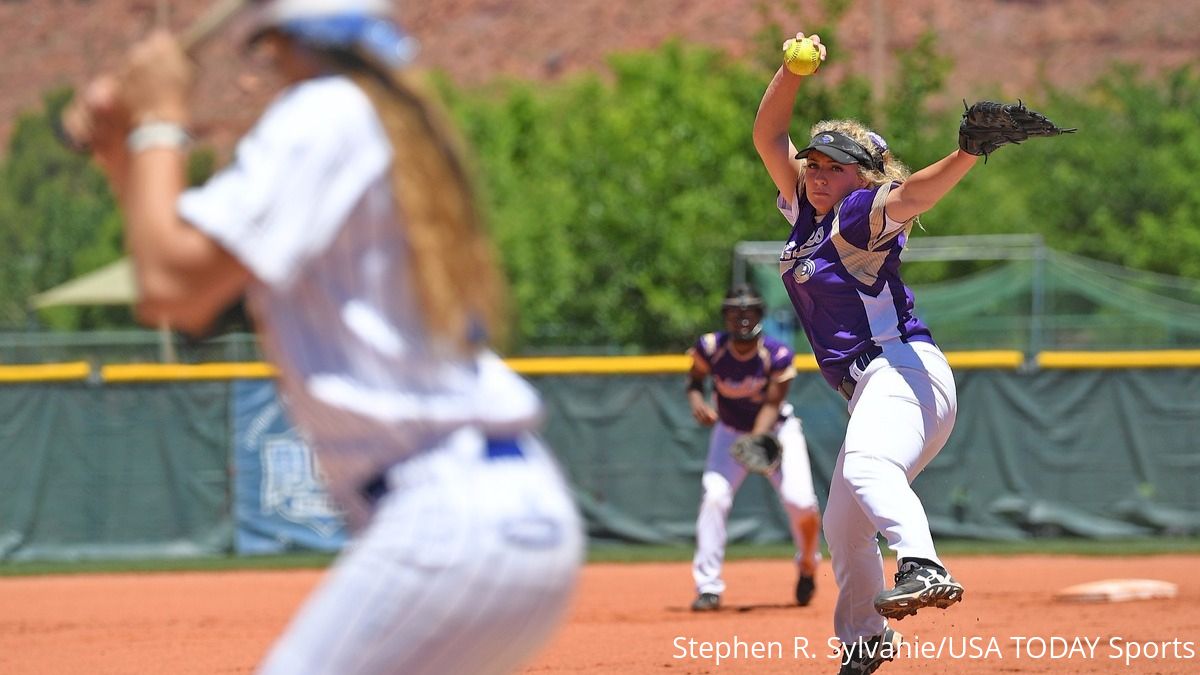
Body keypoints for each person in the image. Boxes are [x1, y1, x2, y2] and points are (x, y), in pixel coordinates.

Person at [67, 1, 583, 673]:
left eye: (266, 54)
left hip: (446, 518)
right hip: (509, 509)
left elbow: (174, 288)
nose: (260, 77)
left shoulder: (323, 114)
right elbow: (177, 275)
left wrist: (162, 115)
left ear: (288, 41)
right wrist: (124, 146)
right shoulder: (380, 116)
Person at [752, 31, 973, 674]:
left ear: (861, 177)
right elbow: (769, 139)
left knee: (870, 467)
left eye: (834, 165)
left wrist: (963, 153)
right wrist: (790, 73)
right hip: (879, 388)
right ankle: (864, 640)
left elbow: (914, 195)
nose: (817, 174)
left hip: (902, 373)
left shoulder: (856, 214)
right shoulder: (806, 212)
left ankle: (923, 564)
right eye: (814, 164)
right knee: (844, 526)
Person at [686, 283, 822, 612]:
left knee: (800, 502)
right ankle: (708, 587)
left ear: (760, 316)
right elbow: (695, 380)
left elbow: (774, 402)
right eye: (735, 312)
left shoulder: (776, 354)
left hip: (776, 431)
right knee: (714, 495)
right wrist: (697, 401)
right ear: (725, 317)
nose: (742, 319)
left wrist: (757, 438)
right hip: (729, 430)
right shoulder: (710, 347)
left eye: (748, 312)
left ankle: (807, 564)